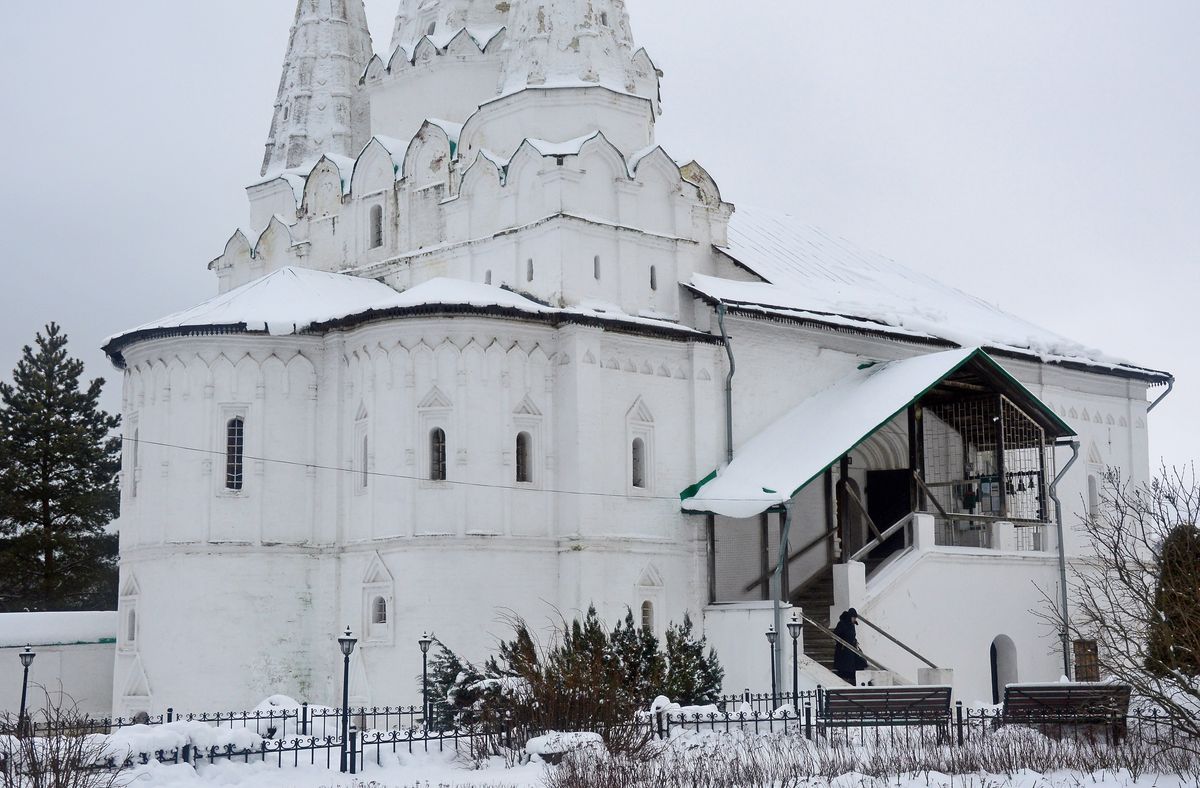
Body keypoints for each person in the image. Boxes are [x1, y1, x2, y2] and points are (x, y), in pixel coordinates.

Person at [832, 608, 869, 684]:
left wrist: (854, 642)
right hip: (843, 649)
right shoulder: (842, 623)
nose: (854, 619)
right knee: (845, 666)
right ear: (850, 616)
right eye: (853, 617)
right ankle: (846, 679)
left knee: (858, 663)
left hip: (851, 648)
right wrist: (842, 642)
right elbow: (835, 634)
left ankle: (853, 679)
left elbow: (852, 635)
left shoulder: (852, 624)